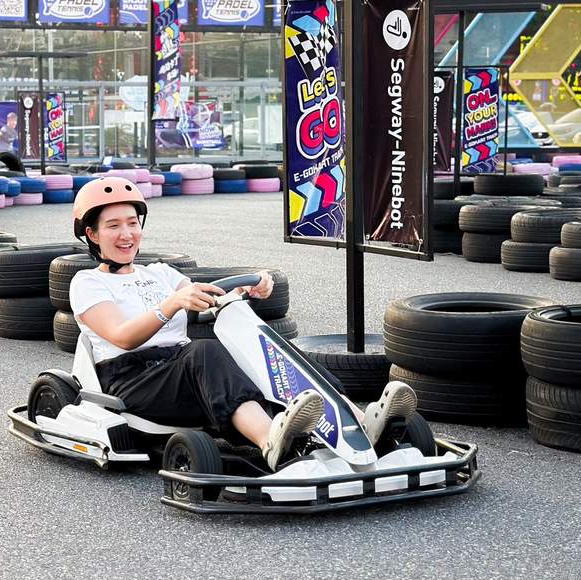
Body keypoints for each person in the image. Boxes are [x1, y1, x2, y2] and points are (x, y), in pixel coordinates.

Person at [68, 176, 417, 471]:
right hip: (133, 382)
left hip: (178, 370)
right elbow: (121, 337)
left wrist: (245, 286)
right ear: (92, 235)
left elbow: (208, 296)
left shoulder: (157, 272)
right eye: (113, 226)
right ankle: (270, 441)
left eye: (131, 223)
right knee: (205, 351)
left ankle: (355, 419)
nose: (126, 234)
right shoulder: (88, 282)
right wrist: (171, 303)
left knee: (267, 349)